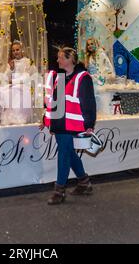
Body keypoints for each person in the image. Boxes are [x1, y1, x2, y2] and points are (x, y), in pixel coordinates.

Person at [40, 46, 96, 205]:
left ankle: (59, 191)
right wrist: (47, 119)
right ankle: (84, 183)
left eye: (60, 57)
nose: (57, 60)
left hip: (72, 122)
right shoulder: (59, 77)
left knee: (64, 153)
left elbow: (89, 102)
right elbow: (53, 101)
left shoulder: (82, 77)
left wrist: (89, 123)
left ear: (70, 59)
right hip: (59, 121)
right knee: (69, 152)